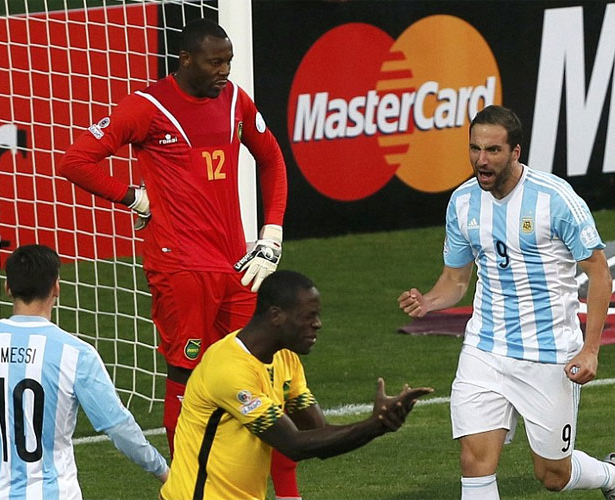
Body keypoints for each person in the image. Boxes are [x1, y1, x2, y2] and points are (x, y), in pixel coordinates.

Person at [59, 17, 298, 498]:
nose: (225, 71)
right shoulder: (146, 107)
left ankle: (288, 493)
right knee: (186, 376)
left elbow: (271, 158)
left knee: (265, 373)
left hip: (237, 266)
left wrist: (270, 233)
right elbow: (75, 161)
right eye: (215, 62)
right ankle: (187, 487)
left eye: (228, 61)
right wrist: (132, 197)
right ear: (185, 59)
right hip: (179, 268)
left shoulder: (235, 100)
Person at [398, 105, 615, 499]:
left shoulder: (555, 199)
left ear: (515, 152)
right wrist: (428, 301)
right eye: (475, 149)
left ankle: (610, 476)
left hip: (549, 355)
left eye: (493, 150)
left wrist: (589, 349)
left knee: (553, 475)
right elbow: (456, 280)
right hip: (485, 350)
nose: (481, 160)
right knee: (474, 462)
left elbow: (599, 273)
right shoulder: (463, 202)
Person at [0, 245, 168, 500]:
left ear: (8, 288)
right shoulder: (76, 354)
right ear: (56, 287)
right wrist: (163, 471)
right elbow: (118, 427)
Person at [160, 270, 433, 500]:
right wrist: (376, 425)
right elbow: (293, 445)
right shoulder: (229, 369)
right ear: (276, 315)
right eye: (308, 316)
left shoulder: (285, 359)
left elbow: (317, 432)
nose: (318, 324)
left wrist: (378, 425)